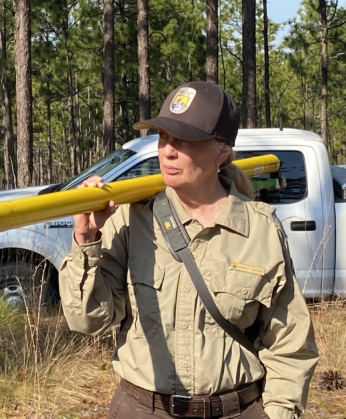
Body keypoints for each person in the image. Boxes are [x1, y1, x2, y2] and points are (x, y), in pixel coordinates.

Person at [58, 81, 318, 419]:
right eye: (164, 137)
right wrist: (86, 239)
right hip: (143, 409)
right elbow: (86, 321)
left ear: (221, 151)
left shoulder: (260, 228)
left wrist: (279, 413)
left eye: (185, 141)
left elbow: (290, 341)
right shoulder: (131, 217)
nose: (167, 150)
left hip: (236, 409)